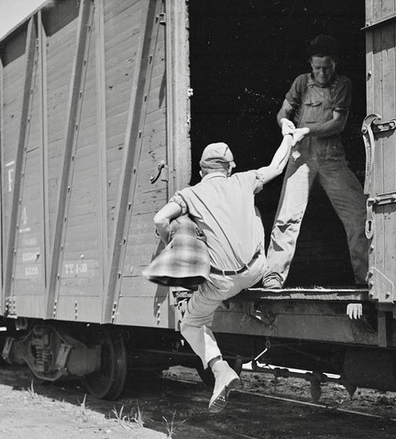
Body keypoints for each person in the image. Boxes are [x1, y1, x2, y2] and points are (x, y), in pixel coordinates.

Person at [153, 129, 308, 413]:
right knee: (254, 212)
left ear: (201, 170)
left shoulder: (190, 194)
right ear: (230, 167)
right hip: (256, 269)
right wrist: (290, 138)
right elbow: (276, 166)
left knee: (191, 323)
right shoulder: (244, 179)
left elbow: (160, 218)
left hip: (221, 283)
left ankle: (220, 369)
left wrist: (170, 241)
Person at [262, 35, 369, 289]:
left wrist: (307, 130)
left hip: (332, 158)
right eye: (317, 67)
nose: (322, 73)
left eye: (327, 67)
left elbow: (338, 123)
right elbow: (283, 112)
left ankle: (366, 277)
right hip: (301, 157)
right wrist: (284, 123)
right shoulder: (301, 82)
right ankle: (273, 275)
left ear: (336, 63)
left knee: (358, 213)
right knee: (287, 216)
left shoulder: (343, 84)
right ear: (310, 64)